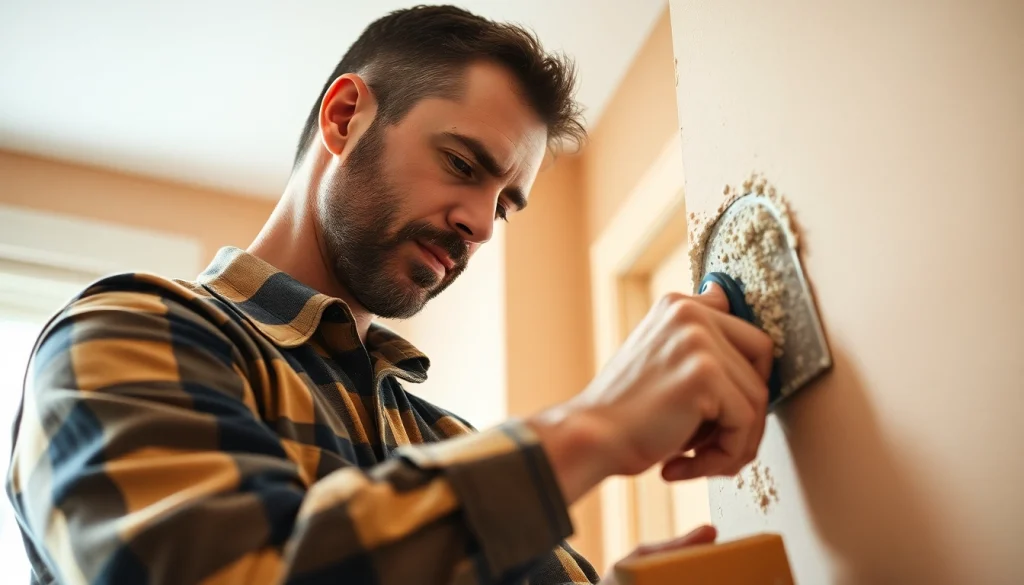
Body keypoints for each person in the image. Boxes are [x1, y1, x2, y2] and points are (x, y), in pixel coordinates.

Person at [5, 5, 773, 584]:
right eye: (464, 164)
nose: (480, 224)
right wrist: (593, 426)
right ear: (345, 118)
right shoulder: (121, 332)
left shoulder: (445, 445)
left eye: (505, 203)